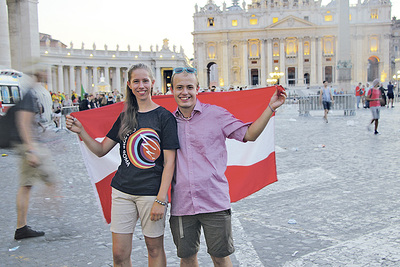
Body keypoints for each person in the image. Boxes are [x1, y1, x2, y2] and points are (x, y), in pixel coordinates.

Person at [168, 67, 286, 267]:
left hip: (213, 200)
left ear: (198, 88)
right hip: (182, 203)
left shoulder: (216, 115)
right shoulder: (167, 122)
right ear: (172, 90)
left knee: (221, 258)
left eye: (189, 87)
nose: (184, 92)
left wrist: (270, 108)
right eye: (179, 87)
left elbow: (249, 135)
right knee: (187, 258)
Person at [66, 63, 179, 267]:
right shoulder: (125, 116)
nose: (141, 85)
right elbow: (101, 150)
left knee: (154, 249)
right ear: (129, 84)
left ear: (152, 83)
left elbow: (170, 161)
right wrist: (81, 131)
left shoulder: (164, 117)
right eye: (136, 81)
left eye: (145, 81)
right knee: (119, 254)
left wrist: (161, 199)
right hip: (122, 191)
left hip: (150, 193)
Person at [13, 70, 57, 240]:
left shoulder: (30, 93)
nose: (48, 74)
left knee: (27, 185)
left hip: (31, 145)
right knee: (29, 185)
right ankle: (22, 226)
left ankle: (22, 226)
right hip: (30, 147)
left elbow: (32, 122)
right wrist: (31, 150)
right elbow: (23, 123)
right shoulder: (30, 94)